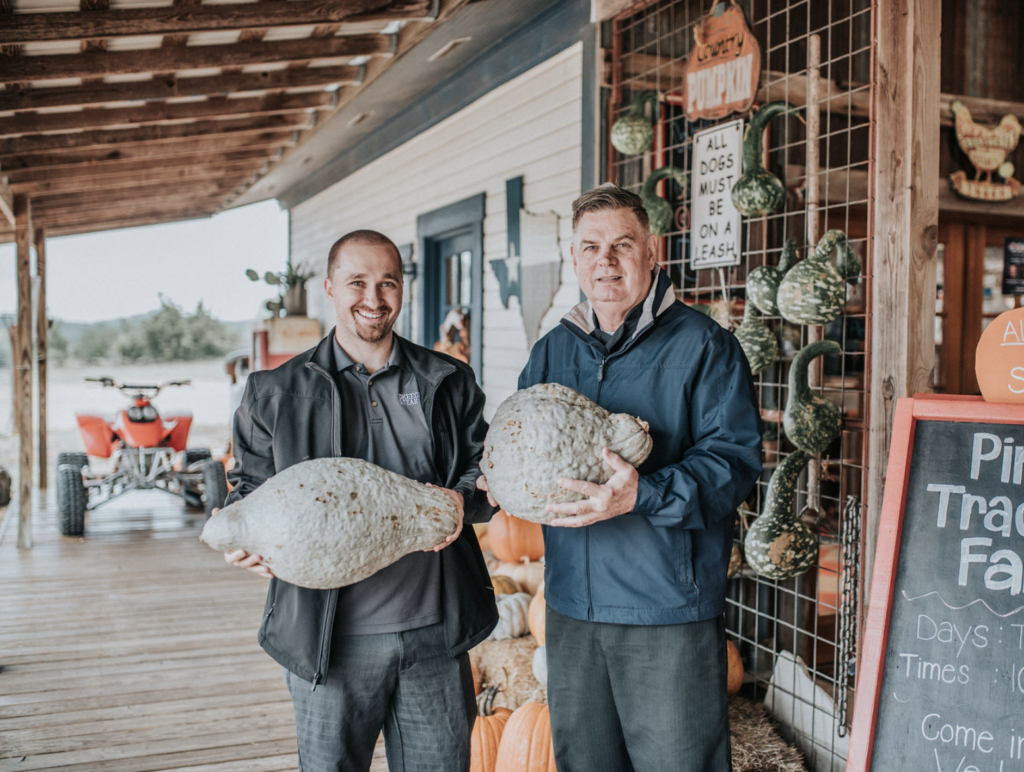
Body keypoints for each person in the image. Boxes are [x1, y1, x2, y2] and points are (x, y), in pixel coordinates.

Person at [479, 184, 762, 771]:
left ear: (652, 252)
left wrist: (644, 492)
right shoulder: (553, 351)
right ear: (575, 258)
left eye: (621, 244)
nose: (605, 260)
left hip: (665, 609)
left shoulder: (706, 347)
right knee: (588, 763)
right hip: (573, 610)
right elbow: (521, 445)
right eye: (590, 247)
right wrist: (497, 477)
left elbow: (732, 465)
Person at [223, 229, 497, 772]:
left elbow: (483, 469)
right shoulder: (272, 394)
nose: (373, 298)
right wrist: (246, 542)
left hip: (434, 637)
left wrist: (463, 499)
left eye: (387, 282)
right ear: (329, 287)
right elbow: (249, 492)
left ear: (402, 290)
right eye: (357, 282)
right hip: (328, 641)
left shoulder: (448, 379)